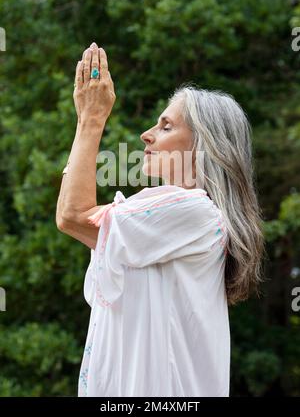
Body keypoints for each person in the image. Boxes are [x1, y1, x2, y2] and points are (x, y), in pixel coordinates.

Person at [56, 42, 266, 397]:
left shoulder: (197, 212)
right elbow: (74, 214)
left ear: (204, 146)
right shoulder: (163, 216)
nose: (146, 135)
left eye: (166, 127)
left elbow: (73, 216)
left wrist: (90, 120)